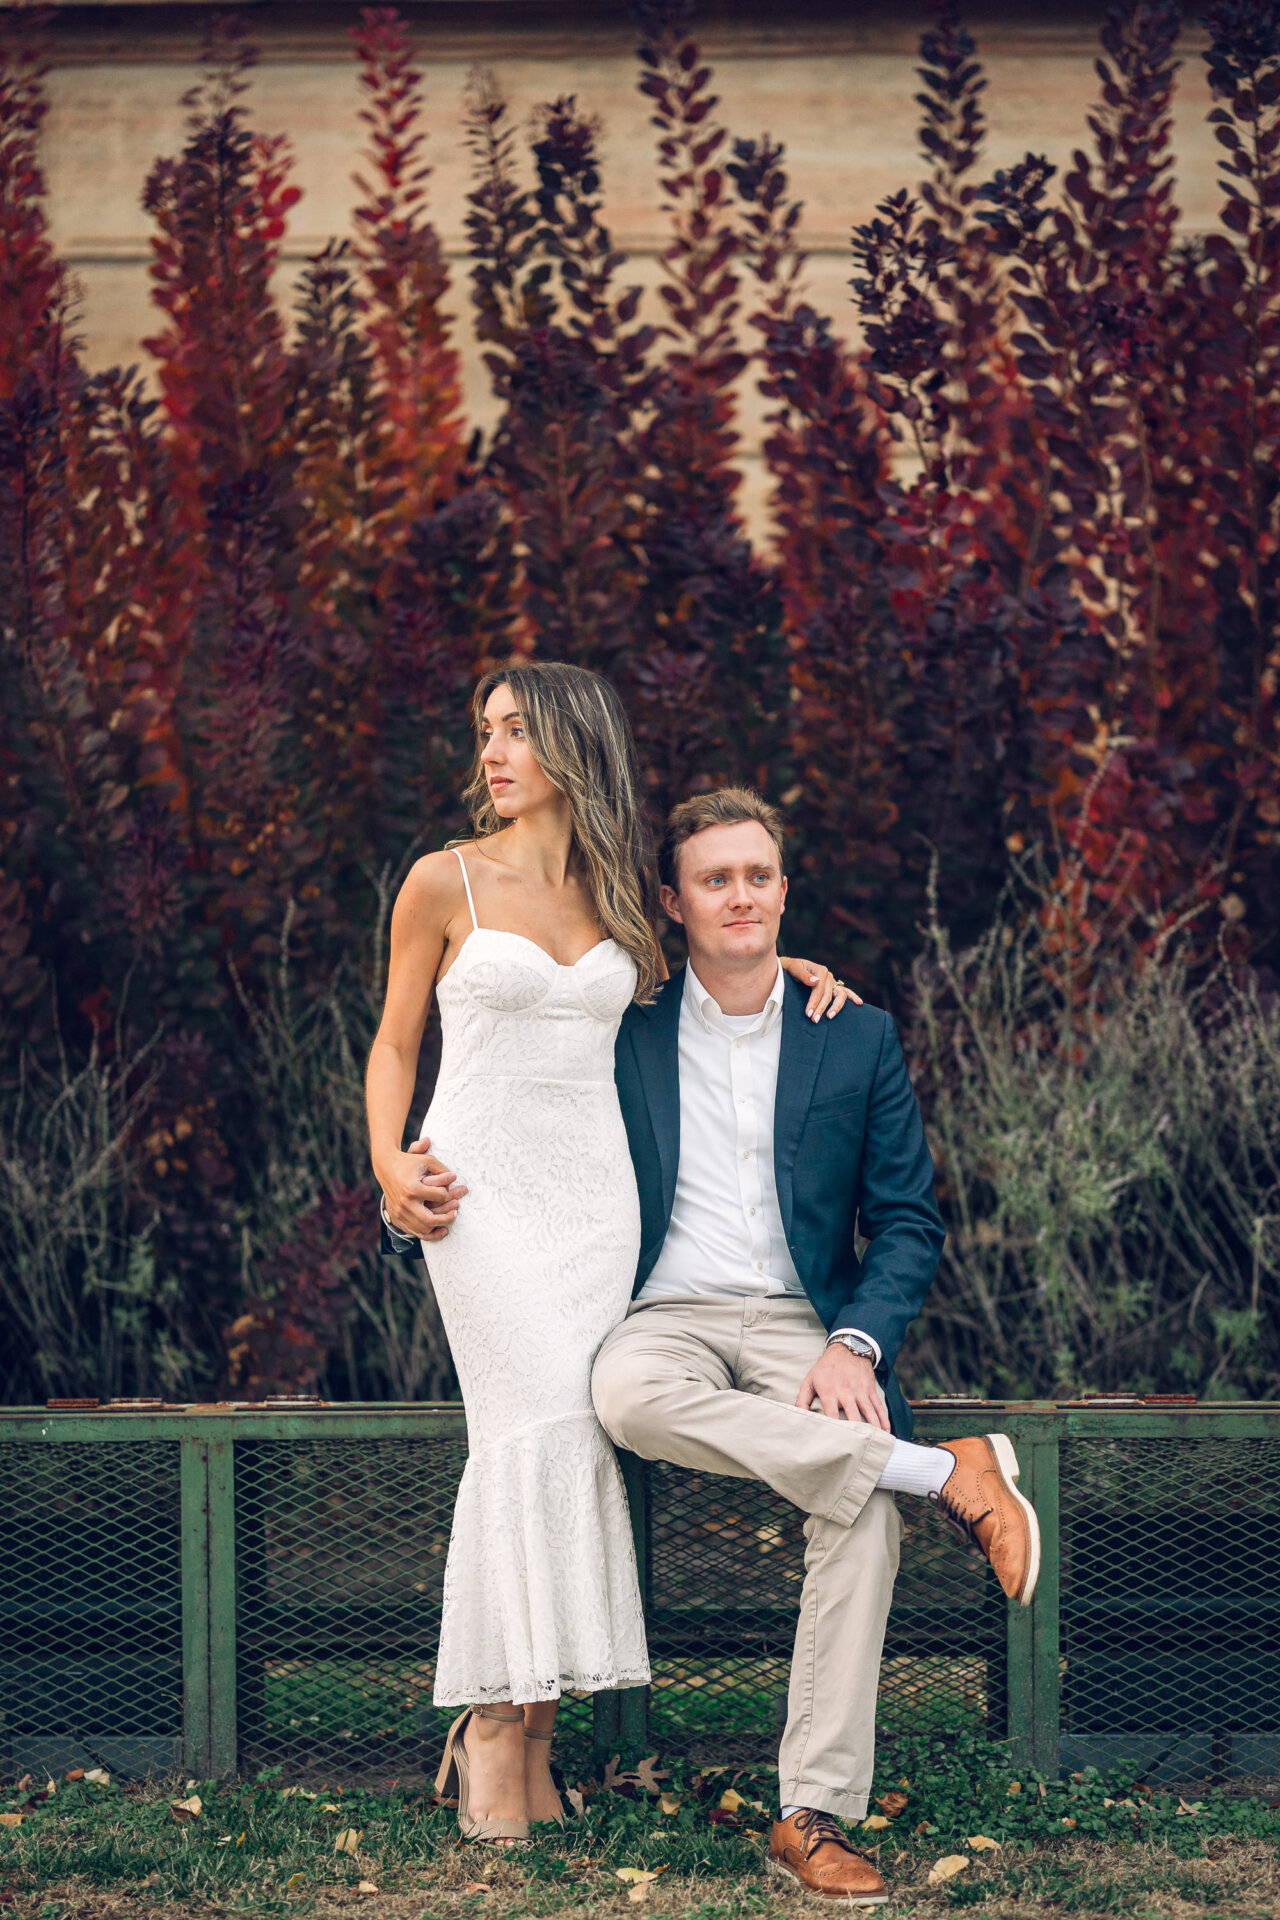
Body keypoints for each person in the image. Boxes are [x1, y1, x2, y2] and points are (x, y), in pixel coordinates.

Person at [368, 663, 855, 1845]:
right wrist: (387, 1163)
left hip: (597, 1213)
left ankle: (531, 1737)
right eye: (483, 729)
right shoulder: (443, 880)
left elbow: (708, 983)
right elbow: (392, 1044)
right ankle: (491, 1726)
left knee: (574, 1438)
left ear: (570, 746)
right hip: (479, 1203)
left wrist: (790, 975)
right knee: (524, 1436)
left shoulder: (623, 902)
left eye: (516, 732)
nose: (490, 752)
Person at [591, 787, 1040, 1907]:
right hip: (666, 1316)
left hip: (804, 1323)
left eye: (756, 875)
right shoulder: (623, 1026)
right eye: (713, 879)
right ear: (671, 902)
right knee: (624, 1397)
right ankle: (945, 1472)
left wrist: (850, 1342)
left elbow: (906, 1220)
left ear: (784, 890)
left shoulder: (856, 1034)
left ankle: (811, 1816)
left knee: (859, 1515)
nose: (738, 895)